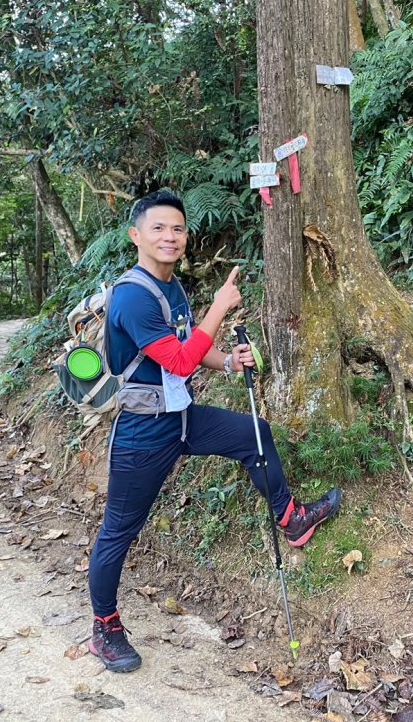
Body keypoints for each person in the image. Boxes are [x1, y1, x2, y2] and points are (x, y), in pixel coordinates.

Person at [87, 190, 342, 673]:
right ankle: (105, 627)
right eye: (159, 228)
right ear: (135, 236)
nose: (170, 236)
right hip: (143, 433)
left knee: (255, 434)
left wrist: (228, 360)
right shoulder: (132, 297)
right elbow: (181, 359)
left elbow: (185, 350)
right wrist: (221, 306)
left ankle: (291, 519)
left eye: (178, 228)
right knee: (120, 530)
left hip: (183, 419)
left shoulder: (173, 290)